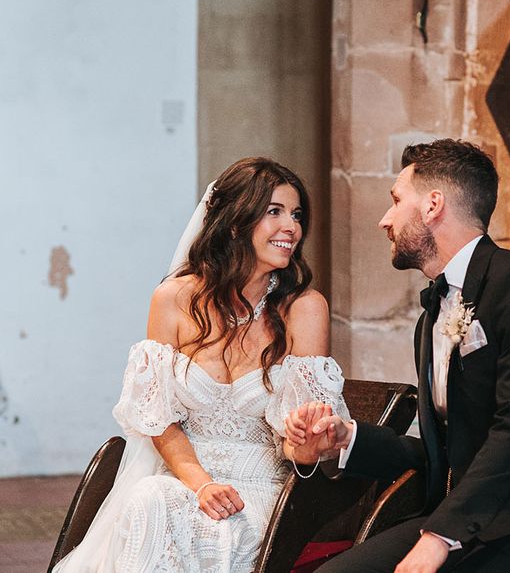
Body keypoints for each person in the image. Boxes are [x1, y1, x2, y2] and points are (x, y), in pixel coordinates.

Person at [287, 139, 510, 572]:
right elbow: (444, 455)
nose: (384, 220)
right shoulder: (432, 316)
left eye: (396, 200)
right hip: (467, 518)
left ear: (432, 205)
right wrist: (348, 440)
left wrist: (438, 539)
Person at [54, 157, 349, 572]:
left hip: (259, 489)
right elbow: (157, 419)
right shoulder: (172, 300)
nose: (292, 228)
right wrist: (200, 483)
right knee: (149, 500)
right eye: (274, 212)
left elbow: (298, 447)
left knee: (205, 526)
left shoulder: (304, 308)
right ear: (233, 222)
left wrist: (306, 439)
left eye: (296, 214)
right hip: (185, 477)